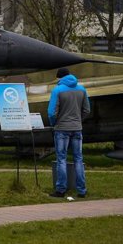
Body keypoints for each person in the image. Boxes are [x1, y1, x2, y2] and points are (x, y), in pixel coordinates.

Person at [47, 67, 90, 198]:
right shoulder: (82, 89)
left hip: (61, 129)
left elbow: (51, 112)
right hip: (77, 128)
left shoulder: (57, 90)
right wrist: (78, 121)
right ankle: (81, 190)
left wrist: (54, 123)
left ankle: (60, 190)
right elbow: (87, 110)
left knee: (61, 159)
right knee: (78, 158)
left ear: (59, 78)